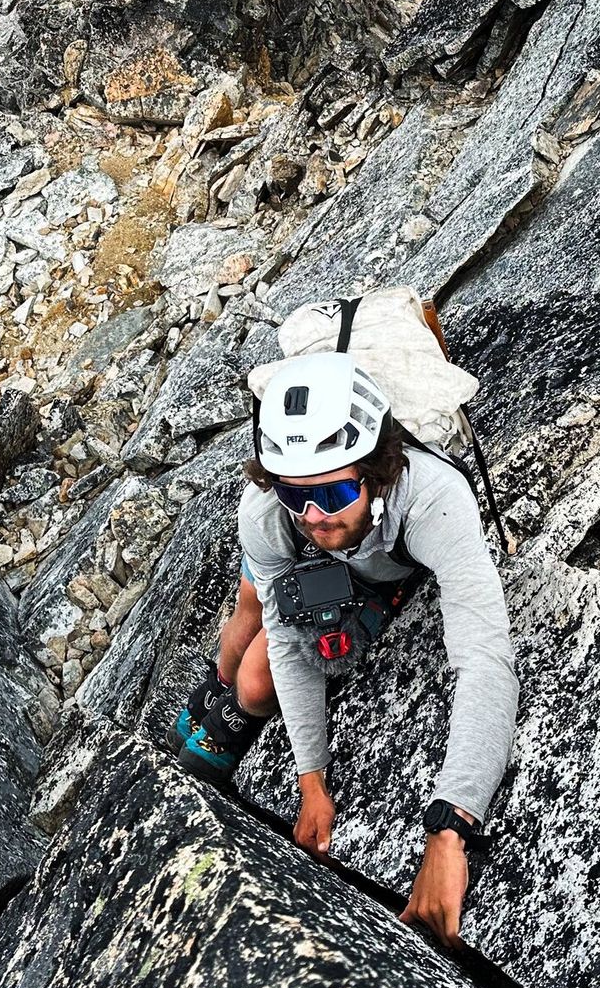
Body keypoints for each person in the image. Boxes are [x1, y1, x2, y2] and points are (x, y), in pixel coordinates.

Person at [173, 351, 518, 946]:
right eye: (293, 494)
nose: (311, 516)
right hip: (328, 566)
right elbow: (282, 634)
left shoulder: (434, 498)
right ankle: (216, 693)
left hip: (390, 551)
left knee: (261, 679)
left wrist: (450, 826)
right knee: (250, 656)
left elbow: (485, 660)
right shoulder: (269, 513)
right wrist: (312, 780)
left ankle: (232, 696)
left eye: (331, 493)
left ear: (376, 470)